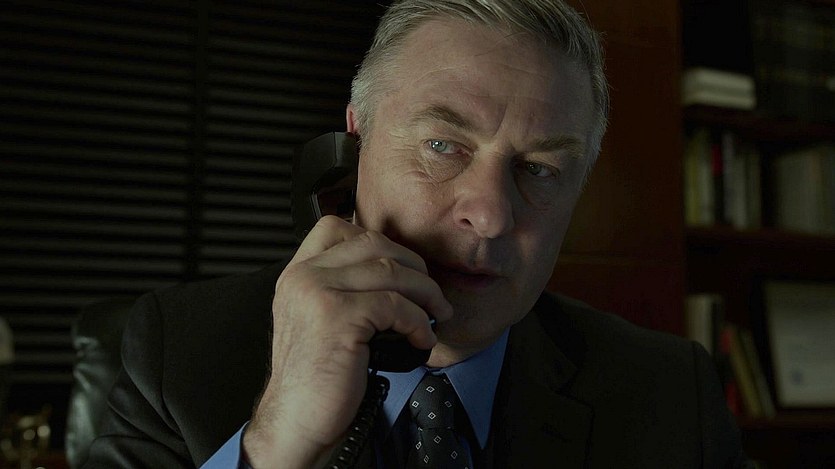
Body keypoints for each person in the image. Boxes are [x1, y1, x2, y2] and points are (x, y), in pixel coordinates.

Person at [84, 0, 752, 468]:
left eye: (539, 169)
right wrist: (278, 446)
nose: (489, 216)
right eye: (442, 145)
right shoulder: (176, 354)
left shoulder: (671, 394)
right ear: (353, 145)